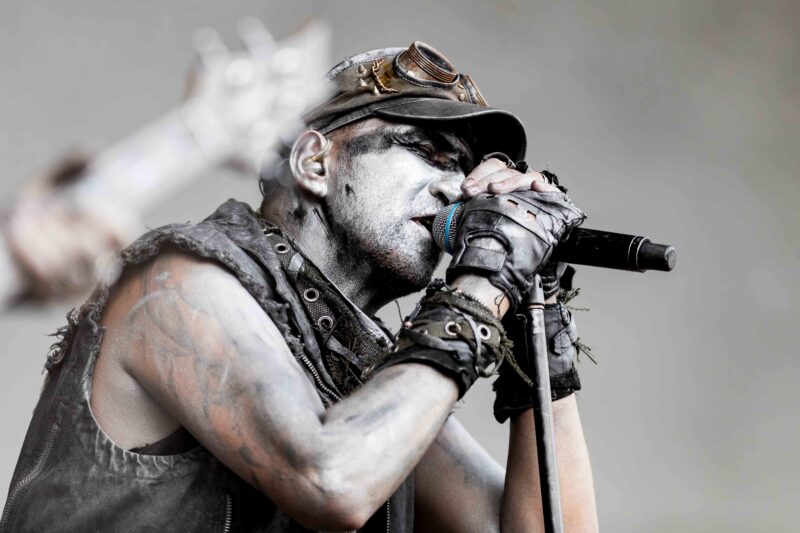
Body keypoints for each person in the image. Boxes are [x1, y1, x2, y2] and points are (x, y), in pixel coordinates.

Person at [2, 42, 598, 531]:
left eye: (465, 171)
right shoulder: (179, 284)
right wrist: (484, 279)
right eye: (425, 151)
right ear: (314, 162)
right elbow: (331, 481)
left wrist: (535, 315)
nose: (457, 190)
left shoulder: (364, 374)